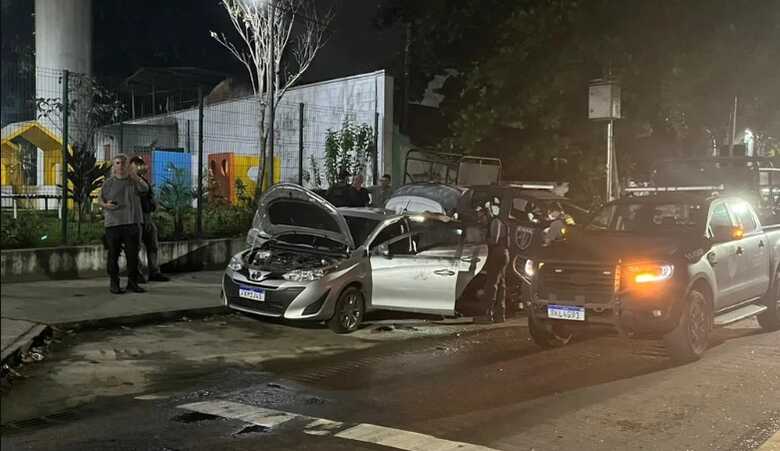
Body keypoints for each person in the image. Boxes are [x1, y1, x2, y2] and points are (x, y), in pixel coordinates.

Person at [99, 154, 148, 294]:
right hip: (113, 224)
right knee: (113, 255)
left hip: (132, 223)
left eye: (123, 164)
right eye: (118, 163)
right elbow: (100, 201)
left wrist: (136, 176)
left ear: (128, 166)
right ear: (114, 166)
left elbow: (145, 189)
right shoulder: (108, 183)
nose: (120, 166)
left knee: (132, 256)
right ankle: (114, 283)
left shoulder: (134, 181)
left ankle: (132, 283)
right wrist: (106, 205)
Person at [129, 156, 170, 283]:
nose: (140, 167)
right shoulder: (129, 181)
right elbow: (141, 191)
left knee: (152, 245)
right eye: (137, 164)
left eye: (141, 164)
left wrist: (153, 204)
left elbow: (149, 194)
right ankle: (137, 273)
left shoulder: (143, 180)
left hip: (147, 217)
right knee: (135, 247)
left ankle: (154, 272)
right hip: (135, 217)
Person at [477, 196, 510, 323]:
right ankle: (499, 315)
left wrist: (481, 241)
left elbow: (494, 240)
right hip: (503, 253)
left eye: (482, 217)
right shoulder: (498, 221)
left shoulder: (496, 222)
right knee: (501, 285)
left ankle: (487, 314)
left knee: (491, 284)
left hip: (498, 253)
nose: (481, 220)